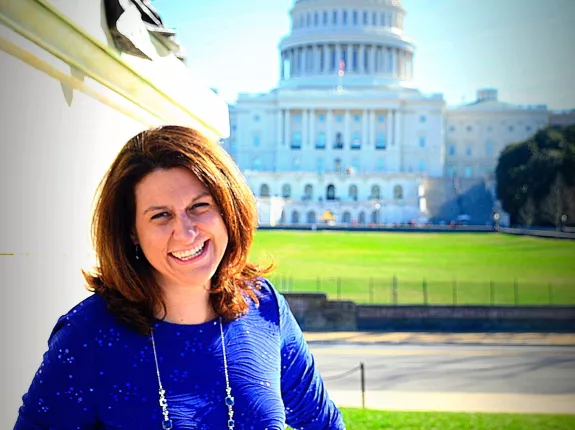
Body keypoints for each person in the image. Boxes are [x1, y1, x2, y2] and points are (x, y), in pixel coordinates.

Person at [15, 126, 346, 429]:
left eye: (199, 206)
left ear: (228, 209)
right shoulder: (89, 335)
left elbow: (324, 423)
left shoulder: (263, 305)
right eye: (161, 215)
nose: (186, 233)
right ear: (132, 232)